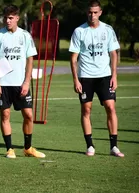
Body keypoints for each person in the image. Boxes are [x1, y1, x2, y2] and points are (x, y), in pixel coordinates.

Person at [0, 5, 45, 159]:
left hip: (20, 84)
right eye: (6, 17)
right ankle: (9, 149)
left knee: (28, 115)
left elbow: (30, 59)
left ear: (17, 18)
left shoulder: (25, 36)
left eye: (11, 18)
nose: (8, 20)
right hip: (3, 84)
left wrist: (26, 82)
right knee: (5, 115)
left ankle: (28, 148)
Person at [69, 0, 124, 157]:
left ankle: (114, 147)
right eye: (89, 12)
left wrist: (114, 75)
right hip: (85, 76)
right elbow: (73, 58)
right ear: (86, 12)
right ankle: (90, 145)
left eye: (95, 12)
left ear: (100, 13)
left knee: (110, 107)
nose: (92, 15)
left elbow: (113, 53)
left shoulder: (108, 29)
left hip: (105, 76)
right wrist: (75, 79)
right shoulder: (79, 31)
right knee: (86, 109)